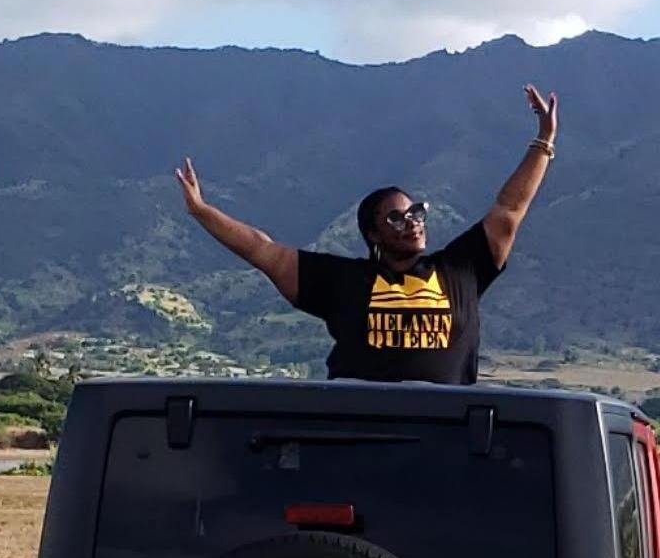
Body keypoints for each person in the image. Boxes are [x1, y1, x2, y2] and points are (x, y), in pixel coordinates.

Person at [175, 86, 558, 384]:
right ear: (373, 234)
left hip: (445, 437)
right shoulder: (343, 282)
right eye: (396, 218)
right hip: (359, 432)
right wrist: (201, 211)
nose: (412, 222)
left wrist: (544, 140)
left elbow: (509, 209)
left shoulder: (460, 270)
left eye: (416, 213)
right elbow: (263, 250)